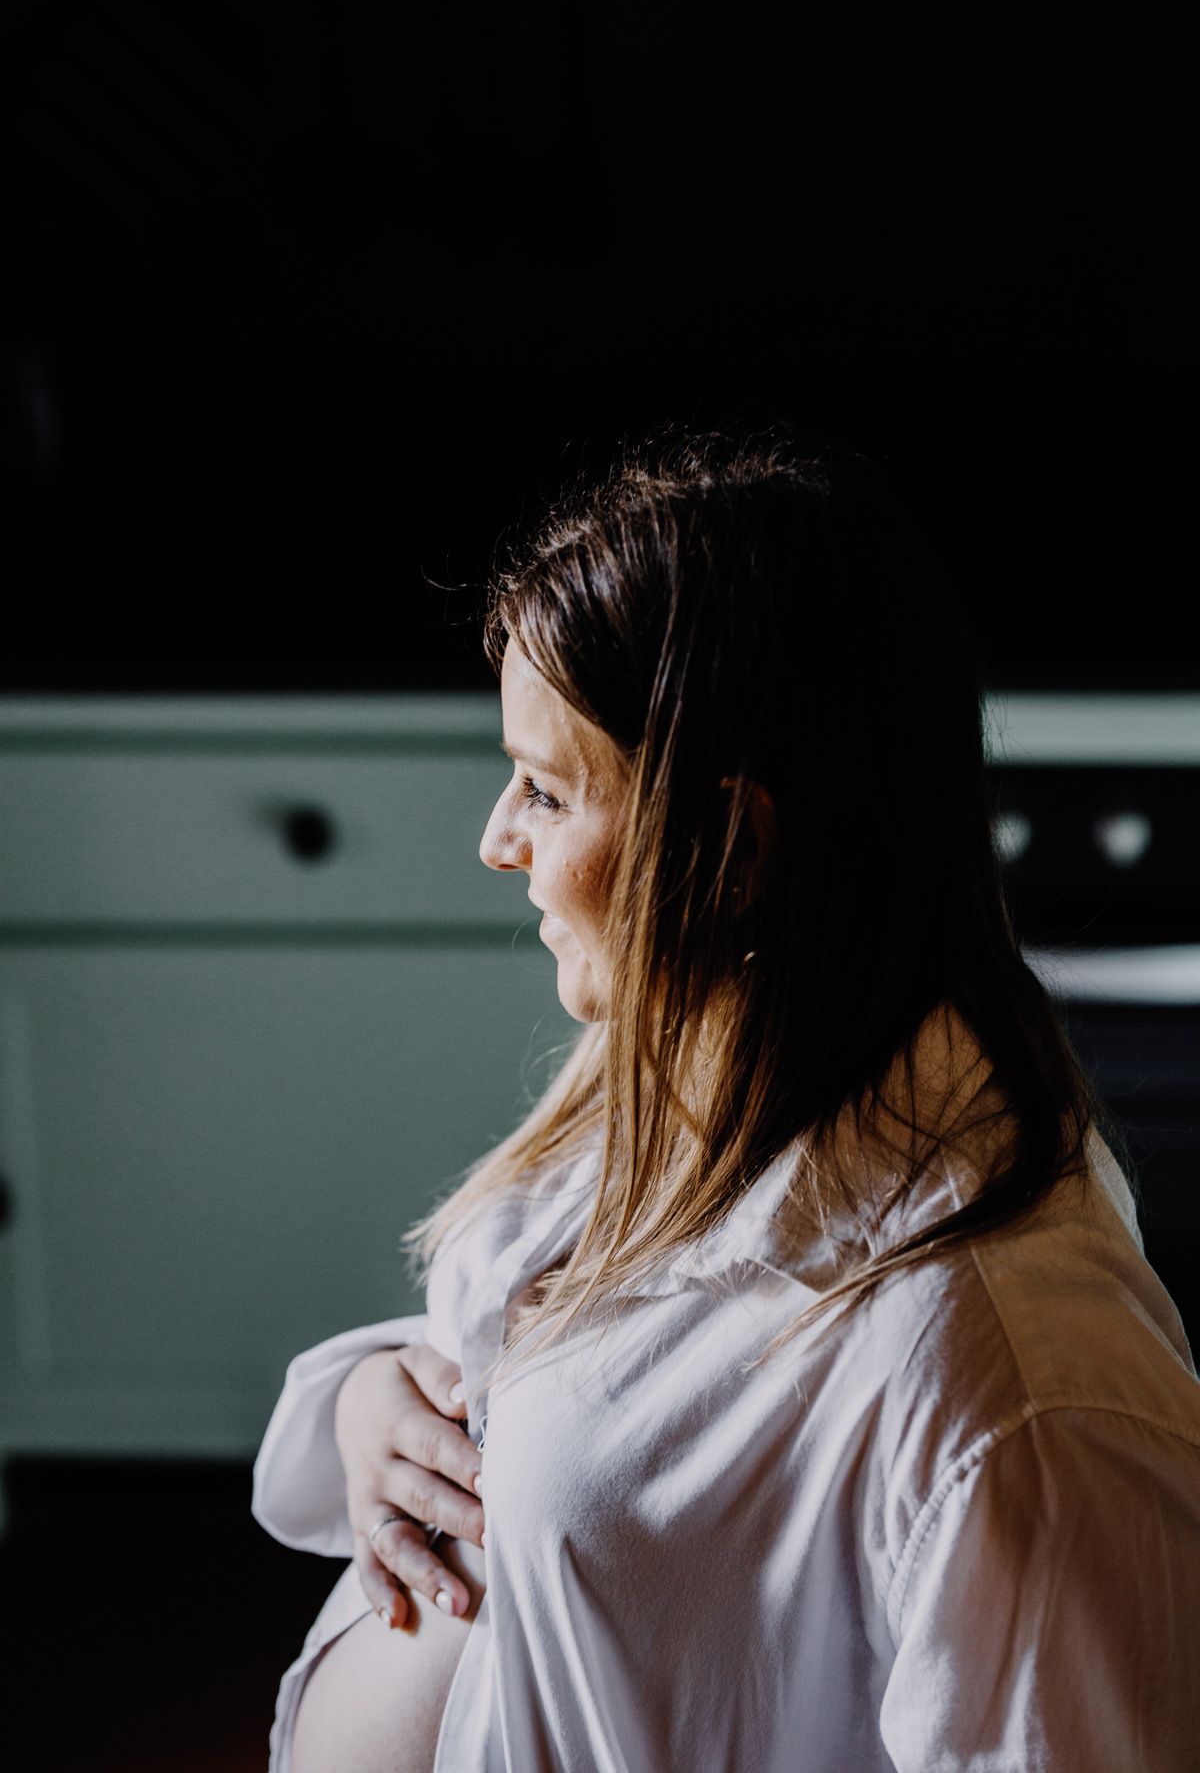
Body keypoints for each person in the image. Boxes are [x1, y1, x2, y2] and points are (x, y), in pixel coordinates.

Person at [253, 429, 1200, 1772]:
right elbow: (605, 1392)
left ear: (728, 847)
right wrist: (372, 1405)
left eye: (546, 789)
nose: (497, 840)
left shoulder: (1011, 1383)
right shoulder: (687, 1083)